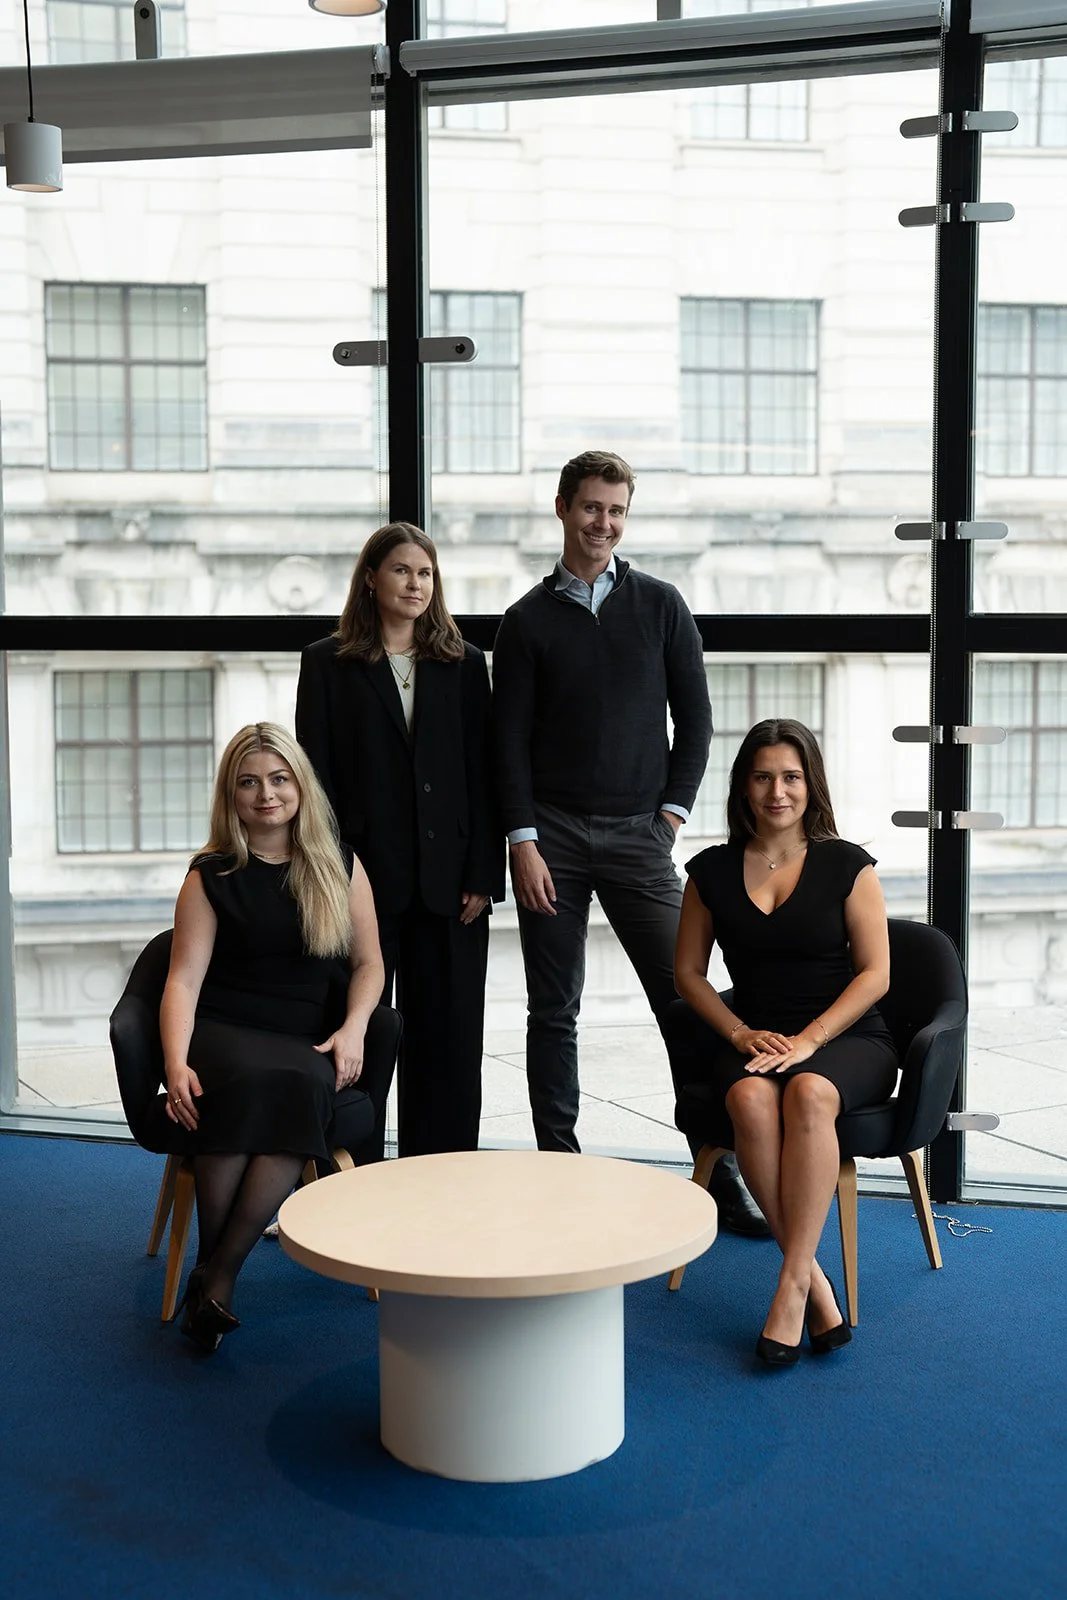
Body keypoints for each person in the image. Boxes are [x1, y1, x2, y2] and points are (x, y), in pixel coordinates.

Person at [491, 449, 735, 1180]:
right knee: (553, 1011)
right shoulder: (525, 622)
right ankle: (559, 1169)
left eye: (617, 510)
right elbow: (506, 745)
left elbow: (694, 722)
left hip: (639, 836)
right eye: (593, 506)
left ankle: (716, 1165)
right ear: (563, 507)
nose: (604, 523)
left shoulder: (660, 606)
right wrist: (523, 842)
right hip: (552, 838)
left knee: (687, 1000)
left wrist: (668, 819)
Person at [673, 718, 899, 1365]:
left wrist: (809, 1040)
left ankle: (791, 1285)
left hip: (845, 1037)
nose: (777, 791)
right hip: (757, 1035)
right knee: (746, 1101)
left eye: (791, 777)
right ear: (744, 786)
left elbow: (877, 974)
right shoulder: (710, 872)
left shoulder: (846, 864)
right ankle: (815, 1282)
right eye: (763, 776)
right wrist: (739, 1031)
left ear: (810, 784)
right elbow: (687, 974)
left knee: (806, 1094)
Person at [160, 722, 385, 1352]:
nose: (267, 794)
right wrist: (176, 1062)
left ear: (300, 786)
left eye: (280, 779)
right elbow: (181, 981)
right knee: (253, 1084)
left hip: (302, 1035)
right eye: (250, 782)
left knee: (292, 1082)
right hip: (224, 1031)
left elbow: (370, 964)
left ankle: (211, 1276)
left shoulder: (338, 864)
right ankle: (220, 1278)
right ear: (230, 795)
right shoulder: (211, 874)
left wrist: (353, 1027)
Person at [295, 522, 504, 1158]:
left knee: (448, 1039)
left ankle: (439, 1175)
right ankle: (348, 1175)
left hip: (452, 884)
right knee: (360, 1033)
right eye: (402, 571)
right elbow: (316, 780)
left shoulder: (464, 664)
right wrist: (334, 875)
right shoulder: (327, 663)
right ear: (371, 579)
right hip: (363, 882)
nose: (415, 584)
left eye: (426, 573)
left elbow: (483, 772)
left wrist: (481, 873)